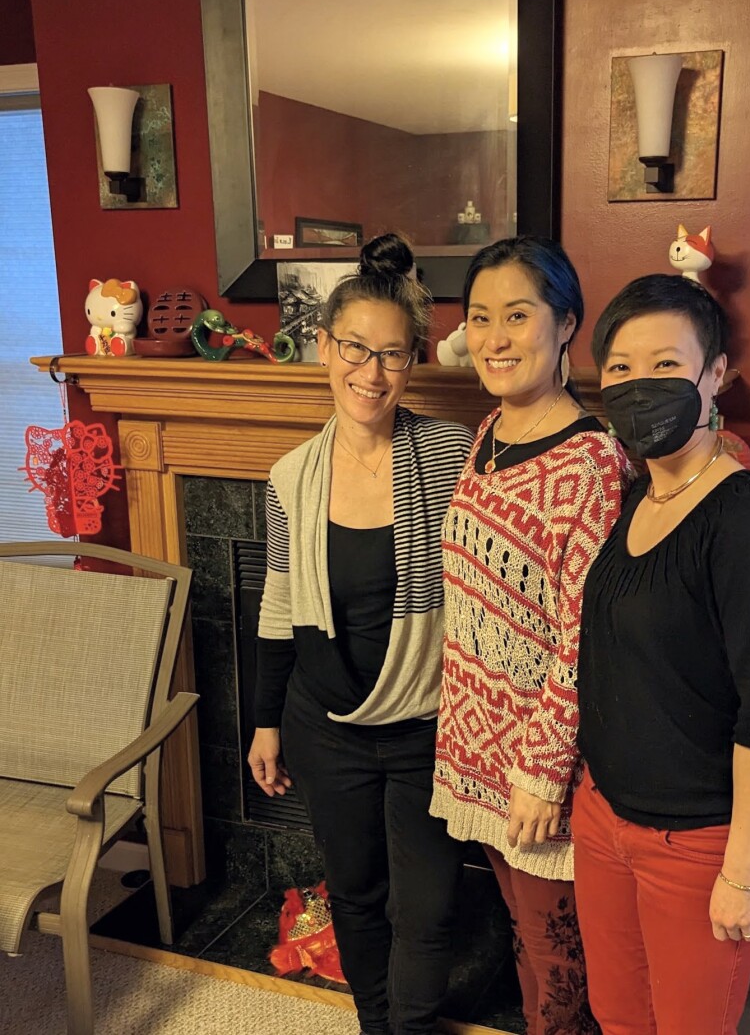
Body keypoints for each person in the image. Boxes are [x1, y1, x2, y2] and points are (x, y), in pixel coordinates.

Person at [573, 273, 750, 1034]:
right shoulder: (639, 495)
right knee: (618, 1020)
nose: (640, 386)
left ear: (715, 376)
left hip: (702, 845)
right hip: (604, 821)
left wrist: (743, 872)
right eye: (620, 369)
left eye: (667, 366)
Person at [248, 234, 474, 1035]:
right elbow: (278, 607)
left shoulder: (452, 456)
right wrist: (267, 721)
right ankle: (375, 1024)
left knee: (429, 907)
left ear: (414, 360)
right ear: (324, 346)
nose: (370, 374)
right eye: (355, 348)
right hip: (325, 729)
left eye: (393, 354)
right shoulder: (288, 477)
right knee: (354, 893)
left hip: (426, 727)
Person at [430, 236, 631, 1035]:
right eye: (481, 318)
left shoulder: (590, 463)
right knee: (525, 942)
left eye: (518, 316)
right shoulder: (487, 435)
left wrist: (543, 771)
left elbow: (585, 635)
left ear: (565, 326)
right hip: (476, 751)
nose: (495, 338)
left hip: (538, 770)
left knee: (561, 963)